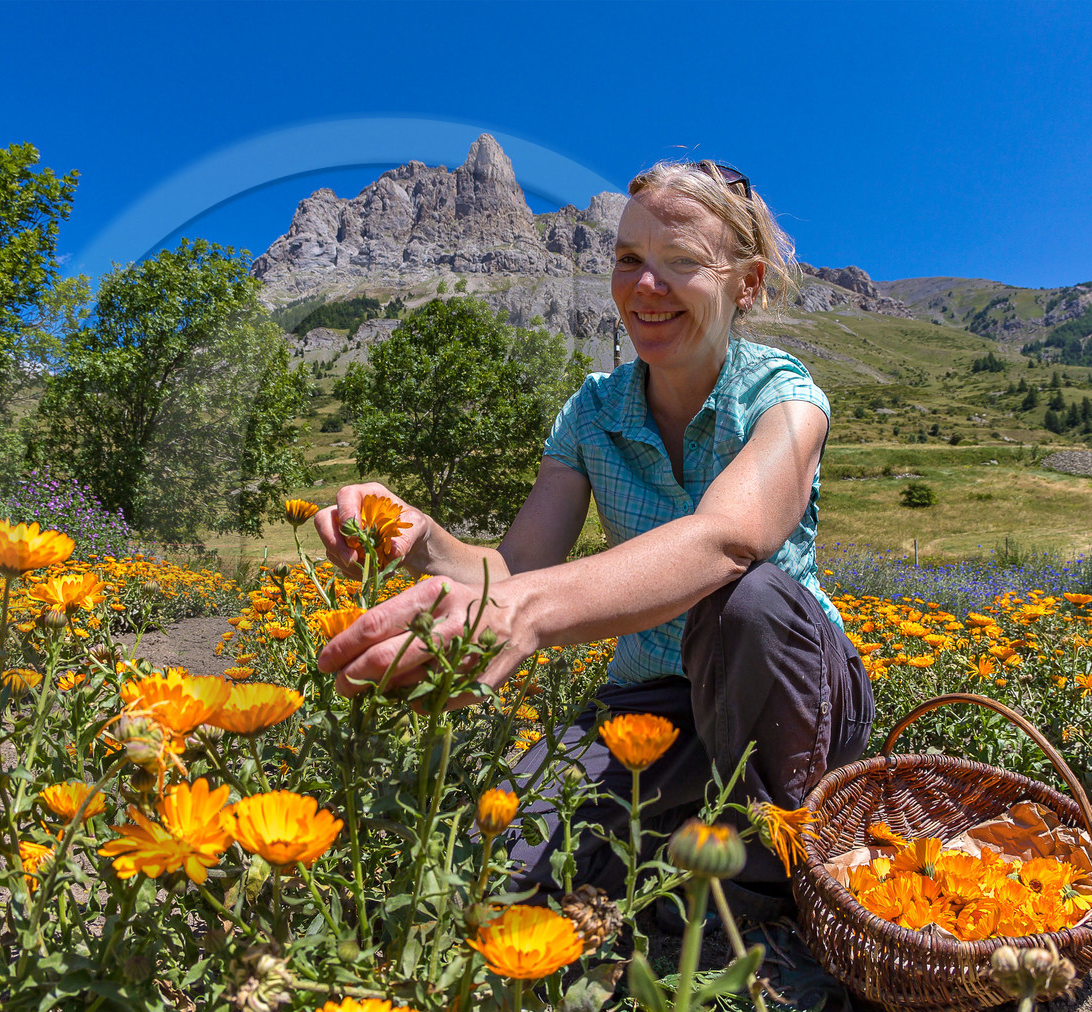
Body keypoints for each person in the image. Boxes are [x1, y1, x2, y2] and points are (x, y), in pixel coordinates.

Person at [311, 160, 874, 893]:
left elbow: (727, 539)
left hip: (794, 697)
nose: (645, 287)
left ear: (749, 282)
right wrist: (422, 542)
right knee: (496, 863)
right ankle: (693, 831)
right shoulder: (592, 413)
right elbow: (514, 565)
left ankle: (780, 857)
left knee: (752, 599)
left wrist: (532, 614)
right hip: (651, 706)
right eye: (629, 260)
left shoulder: (784, 398)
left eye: (680, 264)